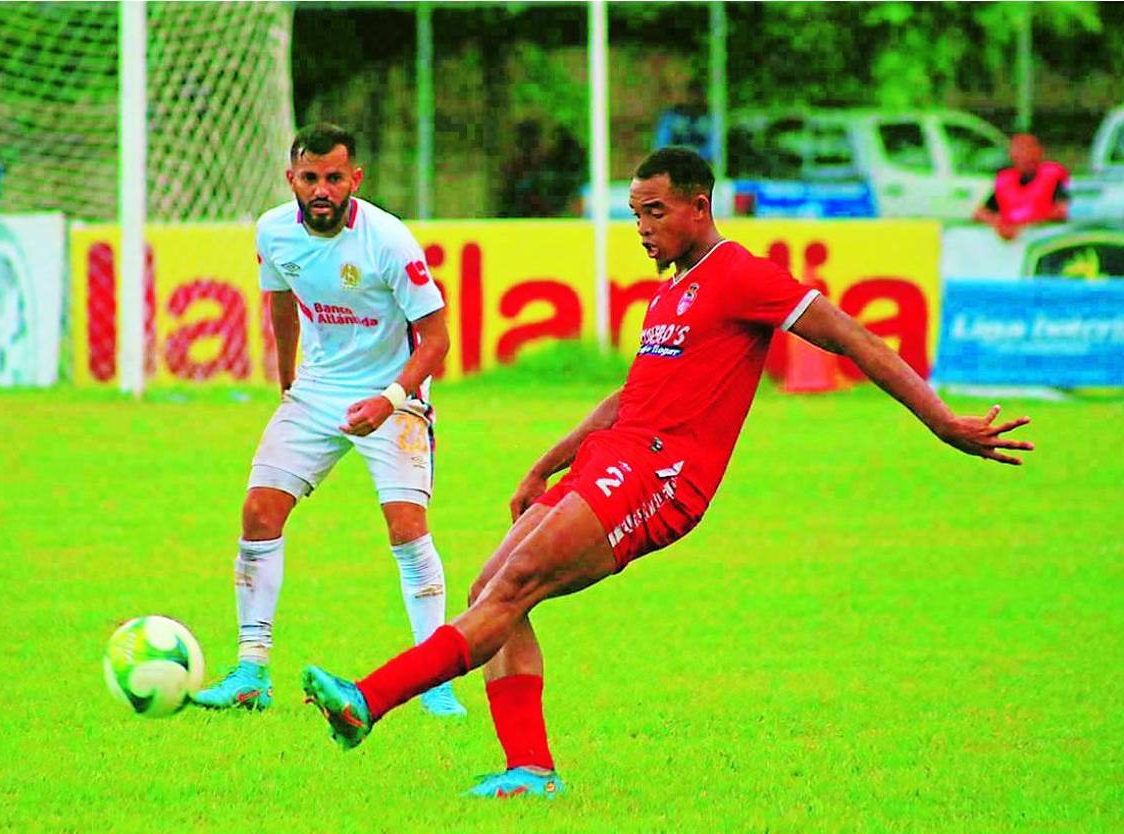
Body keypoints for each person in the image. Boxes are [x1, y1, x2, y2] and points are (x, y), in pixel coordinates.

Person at [298, 146, 1034, 797]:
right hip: (616, 458)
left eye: (655, 212)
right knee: (492, 588)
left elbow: (855, 338)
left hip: (662, 476)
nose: (643, 227)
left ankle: (367, 700)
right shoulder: (673, 292)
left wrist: (943, 421)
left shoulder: (741, 275)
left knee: (515, 586)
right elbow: (634, 394)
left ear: (699, 206)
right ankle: (529, 770)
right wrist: (546, 464)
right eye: (634, 214)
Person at [192, 122, 466, 717]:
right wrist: (288, 382)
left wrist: (391, 399)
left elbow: (438, 338)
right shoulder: (273, 231)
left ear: (354, 180)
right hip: (315, 392)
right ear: (292, 178)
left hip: (392, 395)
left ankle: (435, 677)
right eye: (310, 177)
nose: (322, 189)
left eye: (333, 178)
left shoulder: (388, 241)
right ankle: (250, 672)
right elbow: (281, 298)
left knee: (406, 527)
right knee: (258, 512)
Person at [972, 133, 1069, 240]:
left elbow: (1061, 210)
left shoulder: (1052, 177)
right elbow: (979, 213)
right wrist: (998, 223)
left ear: (1039, 152)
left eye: (1028, 149)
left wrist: (1022, 224)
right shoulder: (1006, 181)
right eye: (1019, 150)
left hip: (1043, 238)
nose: (1024, 155)